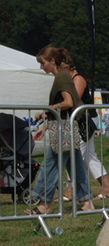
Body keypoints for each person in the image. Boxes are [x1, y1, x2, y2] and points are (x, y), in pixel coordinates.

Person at [27, 45, 93, 214]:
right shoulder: (63, 75)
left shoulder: (61, 77)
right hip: (64, 127)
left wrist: (47, 110)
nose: (42, 67)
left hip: (64, 128)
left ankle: (44, 205)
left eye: (43, 63)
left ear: (52, 61)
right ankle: (87, 201)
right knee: (75, 165)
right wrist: (46, 123)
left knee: (50, 165)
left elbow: (68, 102)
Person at [63, 58, 109, 200]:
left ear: (67, 67)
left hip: (86, 120)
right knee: (90, 156)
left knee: (76, 154)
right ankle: (107, 189)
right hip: (82, 120)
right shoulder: (71, 79)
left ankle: (70, 191)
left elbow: (73, 101)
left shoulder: (78, 79)